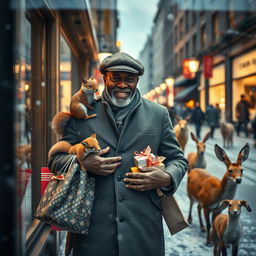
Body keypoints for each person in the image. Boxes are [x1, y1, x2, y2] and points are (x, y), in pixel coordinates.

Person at [48, 52, 188, 256]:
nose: (122, 85)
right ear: (104, 78)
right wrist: (82, 162)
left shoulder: (158, 114)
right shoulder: (82, 114)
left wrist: (166, 177)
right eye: (116, 78)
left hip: (142, 229)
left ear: (137, 81)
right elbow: (55, 160)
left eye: (129, 80)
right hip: (92, 231)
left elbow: (178, 159)